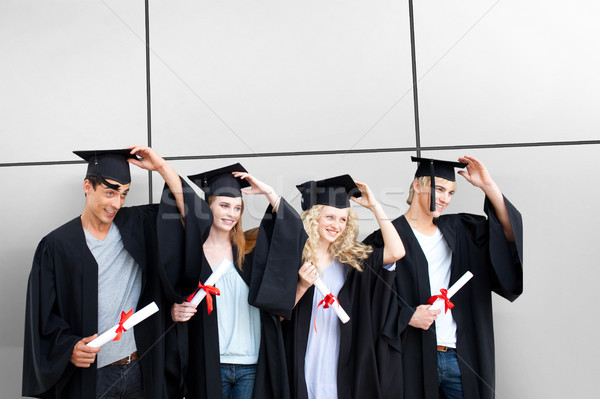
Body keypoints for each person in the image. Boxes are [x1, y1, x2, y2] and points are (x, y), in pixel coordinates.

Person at [22, 146, 193, 399]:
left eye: (124, 194)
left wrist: (161, 167)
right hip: (94, 377)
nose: (117, 203)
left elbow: (189, 213)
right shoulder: (57, 245)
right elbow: (43, 317)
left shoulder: (138, 224)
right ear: (87, 186)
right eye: (110, 192)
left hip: (140, 369)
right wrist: (68, 348)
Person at [363, 155, 523, 399]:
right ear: (417, 185)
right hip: (410, 356)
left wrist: (487, 185)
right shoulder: (385, 238)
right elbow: (365, 299)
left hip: (460, 356)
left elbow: (508, 233)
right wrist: (406, 315)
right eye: (439, 189)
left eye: (450, 192)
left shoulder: (463, 230)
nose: (445, 199)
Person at [169, 163, 305, 399]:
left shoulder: (251, 250)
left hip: (251, 365)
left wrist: (268, 192)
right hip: (210, 363)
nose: (231, 214)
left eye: (237, 208)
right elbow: (170, 298)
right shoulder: (191, 254)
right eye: (224, 205)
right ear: (208, 206)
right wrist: (175, 310)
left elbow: (292, 232)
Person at [282, 174, 405, 399]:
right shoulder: (293, 258)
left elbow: (397, 251)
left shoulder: (350, 261)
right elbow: (276, 317)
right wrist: (301, 286)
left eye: (343, 219)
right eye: (330, 217)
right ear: (314, 217)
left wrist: (375, 206)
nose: (336, 226)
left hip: (340, 353)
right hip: (304, 353)